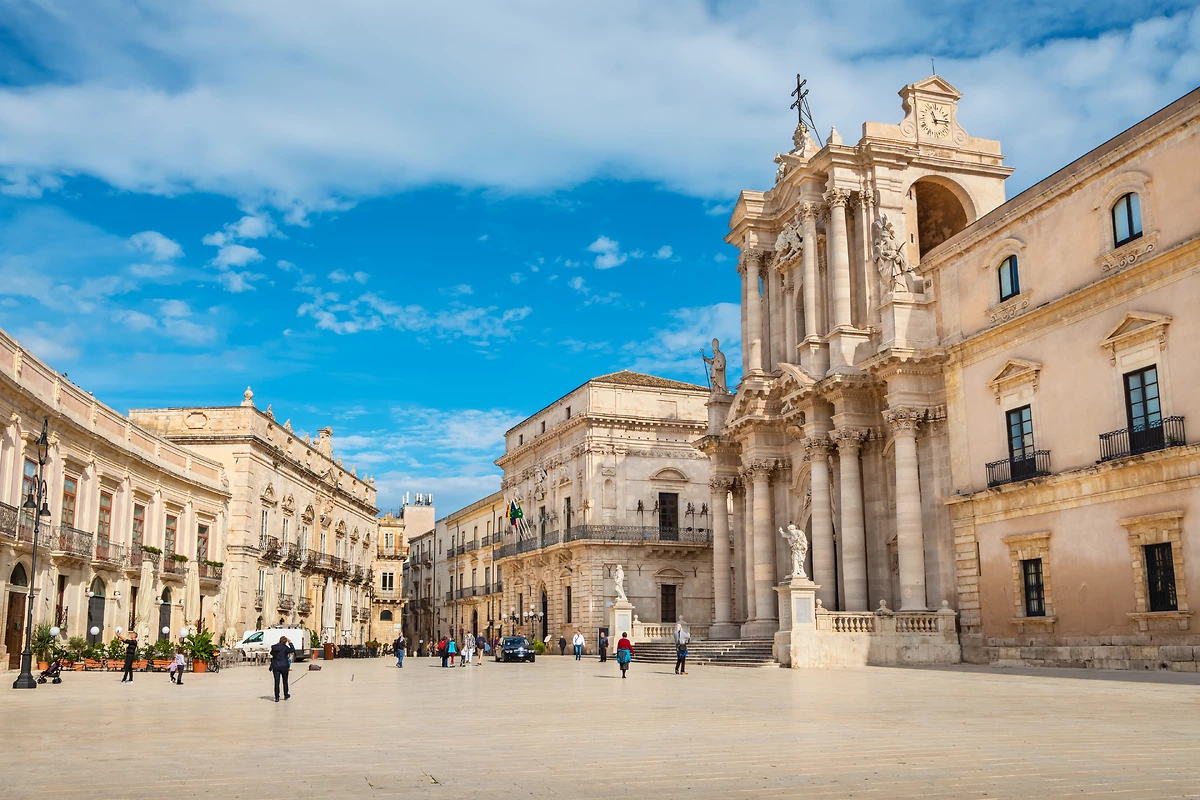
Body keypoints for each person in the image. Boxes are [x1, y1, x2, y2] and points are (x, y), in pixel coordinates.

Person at [269, 635, 297, 702]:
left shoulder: (274, 647)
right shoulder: (285, 648)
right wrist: (290, 643)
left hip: (275, 666)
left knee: (276, 682)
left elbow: (271, 653)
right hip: (284, 666)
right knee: (285, 681)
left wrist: (276, 645)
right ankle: (285, 695)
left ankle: (277, 697)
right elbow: (293, 650)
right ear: (285, 642)